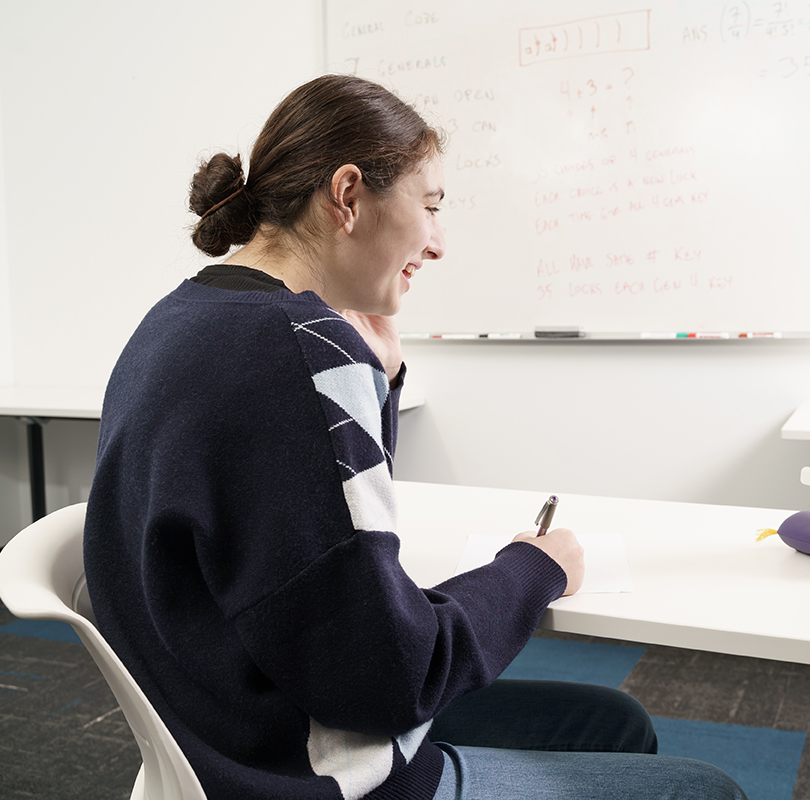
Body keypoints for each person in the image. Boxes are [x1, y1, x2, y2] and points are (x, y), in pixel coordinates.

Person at [83, 74, 746, 800]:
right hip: (320, 769)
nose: (438, 244)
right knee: (705, 790)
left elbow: (327, 542)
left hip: (235, 724)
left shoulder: (180, 318)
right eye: (430, 206)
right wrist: (534, 569)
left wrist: (380, 382)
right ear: (348, 196)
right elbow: (400, 676)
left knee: (613, 721)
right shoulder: (301, 351)